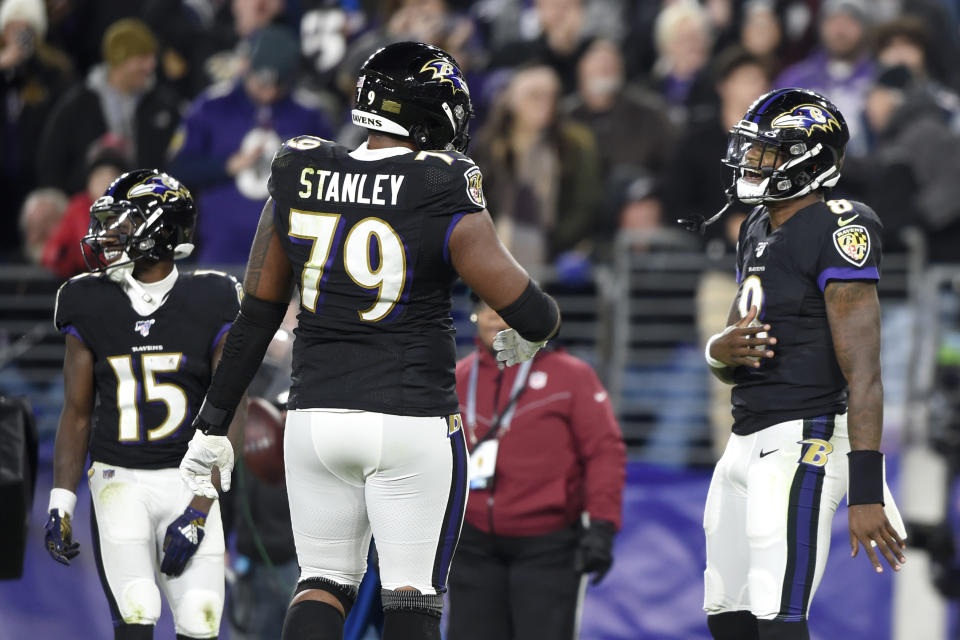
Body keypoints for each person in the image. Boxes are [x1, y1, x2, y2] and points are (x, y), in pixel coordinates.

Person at [176, 41, 562, 640]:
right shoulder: (442, 183)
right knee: (412, 593)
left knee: (323, 580)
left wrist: (212, 421)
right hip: (409, 417)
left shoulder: (302, 172)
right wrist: (526, 341)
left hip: (315, 417)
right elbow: (530, 309)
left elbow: (256, 314)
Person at [697, 87, 908, 640]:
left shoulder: (840, 226)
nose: (751, 162)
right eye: (751, 149)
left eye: (767, 152)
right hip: (744, 438)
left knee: (779, 620)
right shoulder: (757, 227)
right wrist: (716, 350)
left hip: (801, 438)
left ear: (808, 160)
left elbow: (864, 370)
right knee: (729, 617)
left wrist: (865, 487)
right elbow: (736, 347)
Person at [43, 168, 246, 640]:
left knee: (200, 620)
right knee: (137, 616)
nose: (109, 234)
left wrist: (200, 506)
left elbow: (232, 408)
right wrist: (61, 501)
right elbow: (76, 413)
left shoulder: (212, 296)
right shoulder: (87, 299)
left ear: (160, 231)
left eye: (125, 223)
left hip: (191, 479)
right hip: (120, 480)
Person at [446, 297, 626, 640]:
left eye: (508, 313)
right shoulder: (456, 377)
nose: (497, 321)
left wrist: (602, 525)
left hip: (548, 547)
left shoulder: (572, 375)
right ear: (475, 317)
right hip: (473, 547)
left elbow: (605, 452)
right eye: (488, 310)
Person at [167, 24, 334, 265]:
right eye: (263, 83)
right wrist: (226, 166)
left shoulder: (308, 113)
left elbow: (332, 176)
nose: (269, 93)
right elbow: (178, 169)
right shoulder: (212, 106)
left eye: (279, 85)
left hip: (288, 254)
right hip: (221, 250)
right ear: (247, 66)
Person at [35, 18, 180, 195]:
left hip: (150, 207)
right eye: (142, 58)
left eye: (152, 57)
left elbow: (180, 159)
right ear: (119, 59)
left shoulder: (164, 104)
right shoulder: (78, 105)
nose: (151, 66)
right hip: (89, 210)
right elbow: (51, 162)